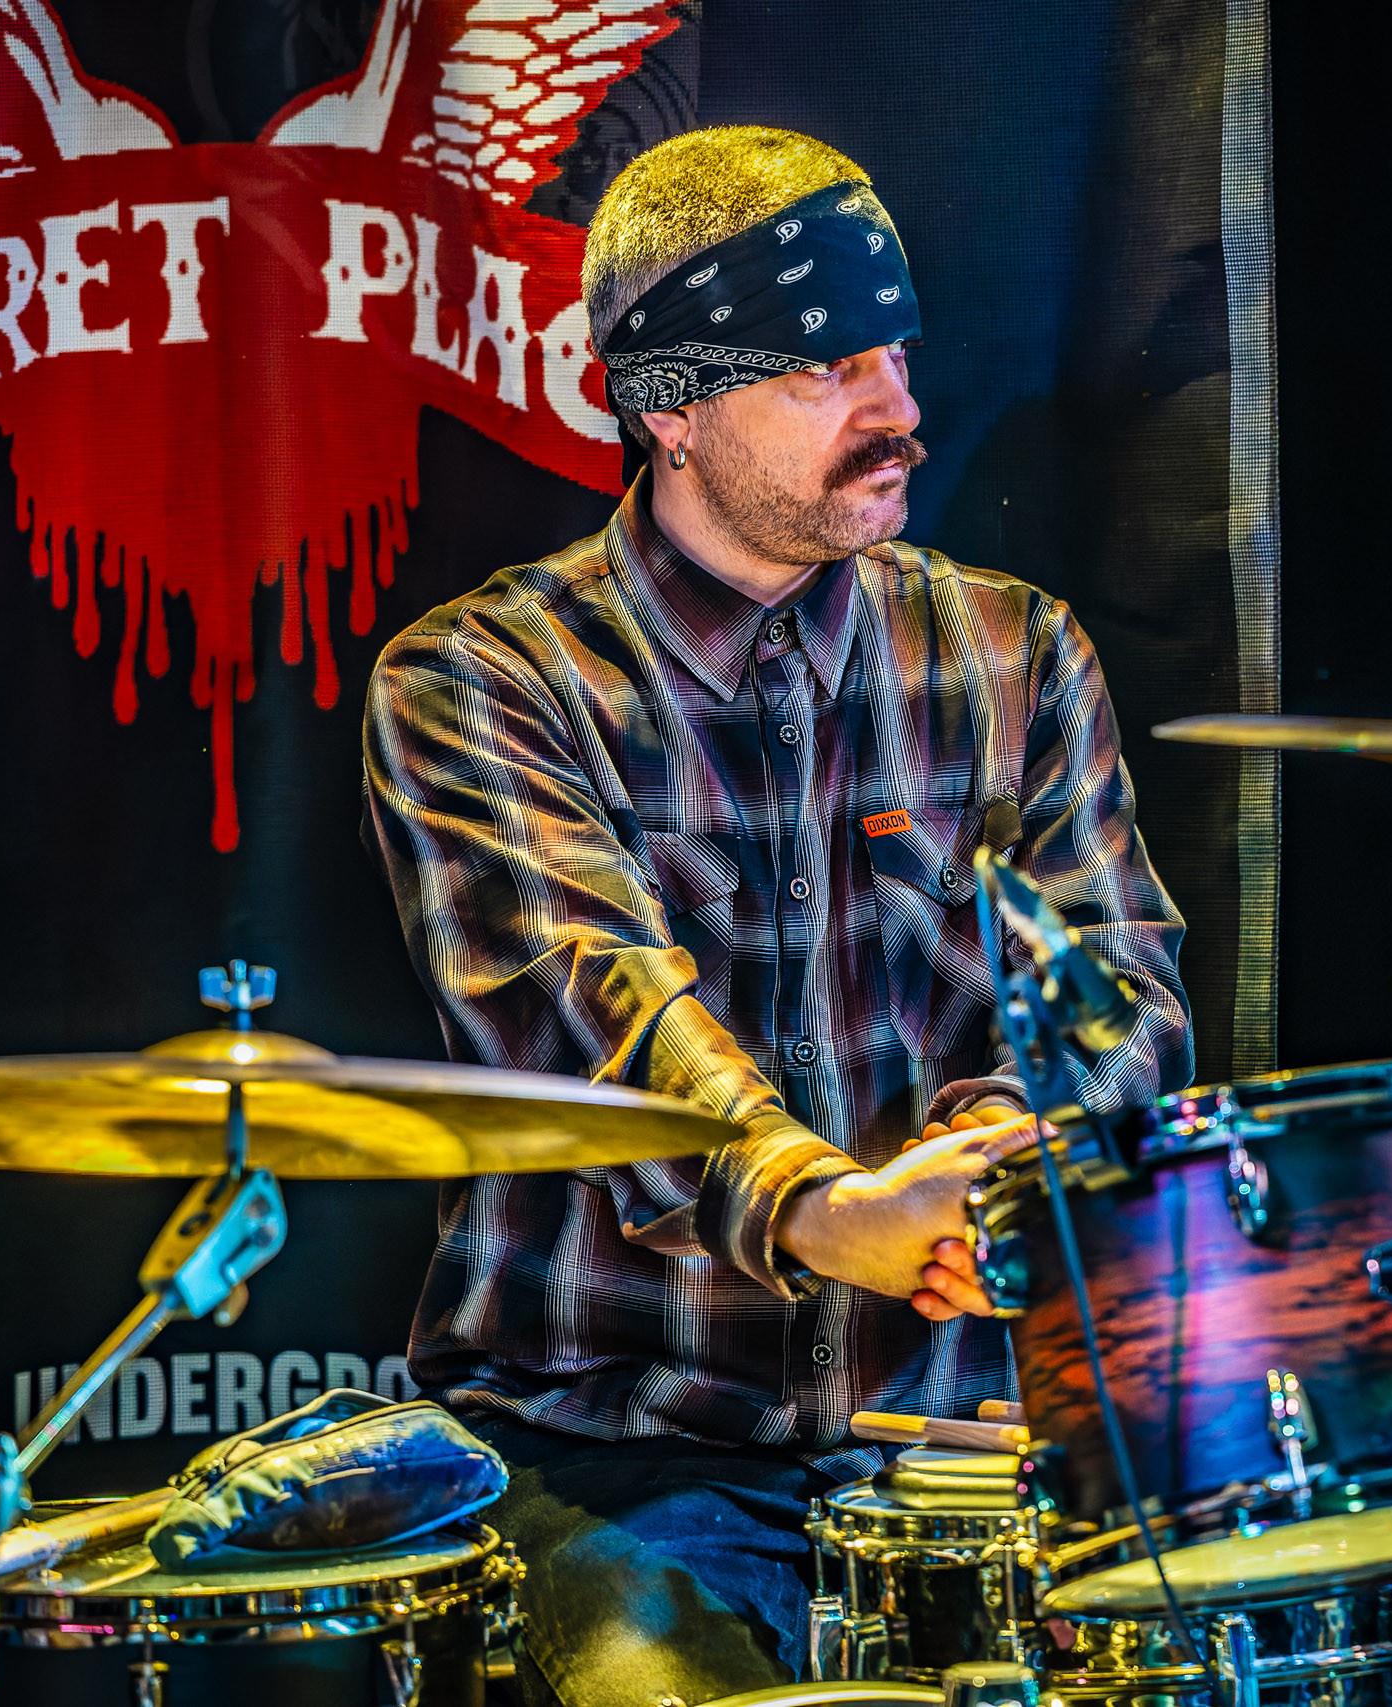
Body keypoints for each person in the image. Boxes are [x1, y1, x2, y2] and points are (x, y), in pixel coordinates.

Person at [362, 125, 1192, 1707]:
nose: (899, 413)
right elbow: (591, 1011)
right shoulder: (483, 680)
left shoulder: (1018, 653)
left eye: (896, 355)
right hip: (627, 1452)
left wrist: (997, 1163)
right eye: (825, 371)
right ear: (668, 409)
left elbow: (1125, 987)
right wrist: (821, 1210)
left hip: (969, 1450)